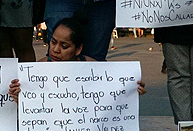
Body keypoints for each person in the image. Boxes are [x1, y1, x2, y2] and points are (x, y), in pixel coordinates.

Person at [9, 15, 146, 99]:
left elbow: (111, 96)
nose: (56, 50)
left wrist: (131, 91)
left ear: (78, 49)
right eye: (53, 42)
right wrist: (17, 95)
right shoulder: (36, 71)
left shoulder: (93, 69)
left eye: (64, 46)